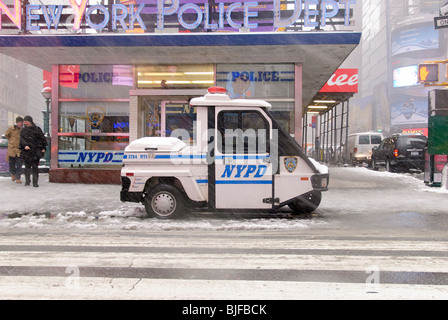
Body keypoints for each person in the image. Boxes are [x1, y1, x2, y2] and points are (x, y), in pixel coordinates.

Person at [20, 115, 47, 187]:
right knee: (27, 167)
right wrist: (25, 145)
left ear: (30, 122)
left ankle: (35, 182)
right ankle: (27, 181)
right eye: (24, 122)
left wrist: (43, 147)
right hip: (27, 151)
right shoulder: (23, 131)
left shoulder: (37, 129)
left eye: (26, 122)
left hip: (35, 151)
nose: (25, 123)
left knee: (35, 168)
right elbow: (21, 140)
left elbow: (42, 138)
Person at [4, 116, 24, 183]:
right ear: (16, 122)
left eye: (21, 122)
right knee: (12, 163)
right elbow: (6, 134)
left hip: (19, 149)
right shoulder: (11, 128)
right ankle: (13, 174)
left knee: (19, 164)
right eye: (19, 122)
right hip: (12, 148)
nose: (20, 124)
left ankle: (18, 177)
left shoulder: (23, 130)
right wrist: (11, 140)